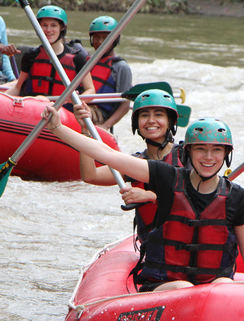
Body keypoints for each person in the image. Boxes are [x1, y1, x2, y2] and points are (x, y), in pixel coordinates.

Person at [42, 107, 244, 293]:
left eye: (217, 150)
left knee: (224, 287)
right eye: (201, 150)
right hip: (167, 286)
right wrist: (58, 129)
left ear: (226, 155)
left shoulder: (236, 196)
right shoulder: (166, 177)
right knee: (185, 288)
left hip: (215, 289)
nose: (209, 157)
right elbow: (108, 155)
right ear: (188, 152)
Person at [74, 89, 186, 242]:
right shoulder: (135, 163)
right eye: (145, 115)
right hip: (153, 249)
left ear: (170, 121)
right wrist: (85, 130)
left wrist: (150, 196)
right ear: (136, 123)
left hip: (185, 244)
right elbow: (90, 176)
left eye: (159, 115)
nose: (151, 120)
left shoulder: (187, 155)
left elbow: (196, 198)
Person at [0, 5, 94, 102]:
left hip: (63, 110)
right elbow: (18, 88)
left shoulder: (77, 58)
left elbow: (90, 90)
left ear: (62, 28)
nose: (48, 30)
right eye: (44, 25)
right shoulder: (31, 56)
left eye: (53, 25)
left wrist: (76, 101)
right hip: (35, 108)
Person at [85, 15, 132, 131]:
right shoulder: (85, 62)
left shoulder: (121, 67)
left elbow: (125, 105)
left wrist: (106, 126)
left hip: (100, 115)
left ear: (115, 39)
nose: (100, 42)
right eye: (96, 37)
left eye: (106, 38)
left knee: (81, 110)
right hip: (79, 106)